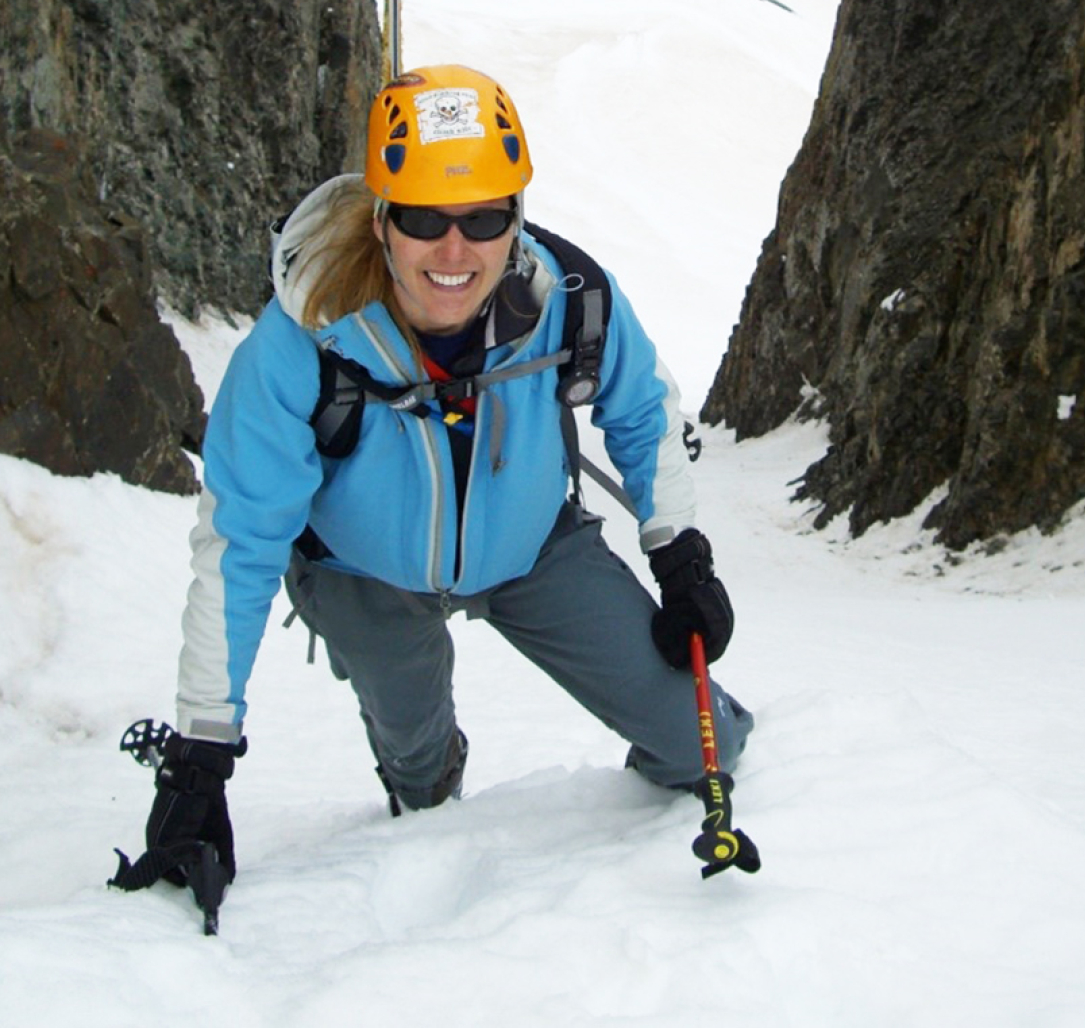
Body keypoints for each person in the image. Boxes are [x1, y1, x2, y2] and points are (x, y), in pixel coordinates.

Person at [134, 63, 753, 887]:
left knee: (703, 743)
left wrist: (680, 553)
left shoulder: (571, 299)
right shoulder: (301, 344)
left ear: (516, 218)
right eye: (425, 218)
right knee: (421, 787)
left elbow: (642, 411)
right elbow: (238, 545)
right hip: (363, 573)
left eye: (485, 217)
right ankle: (428, 773)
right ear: (383, 220)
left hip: (531, 547)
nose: (455, 251)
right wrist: (200, 752)